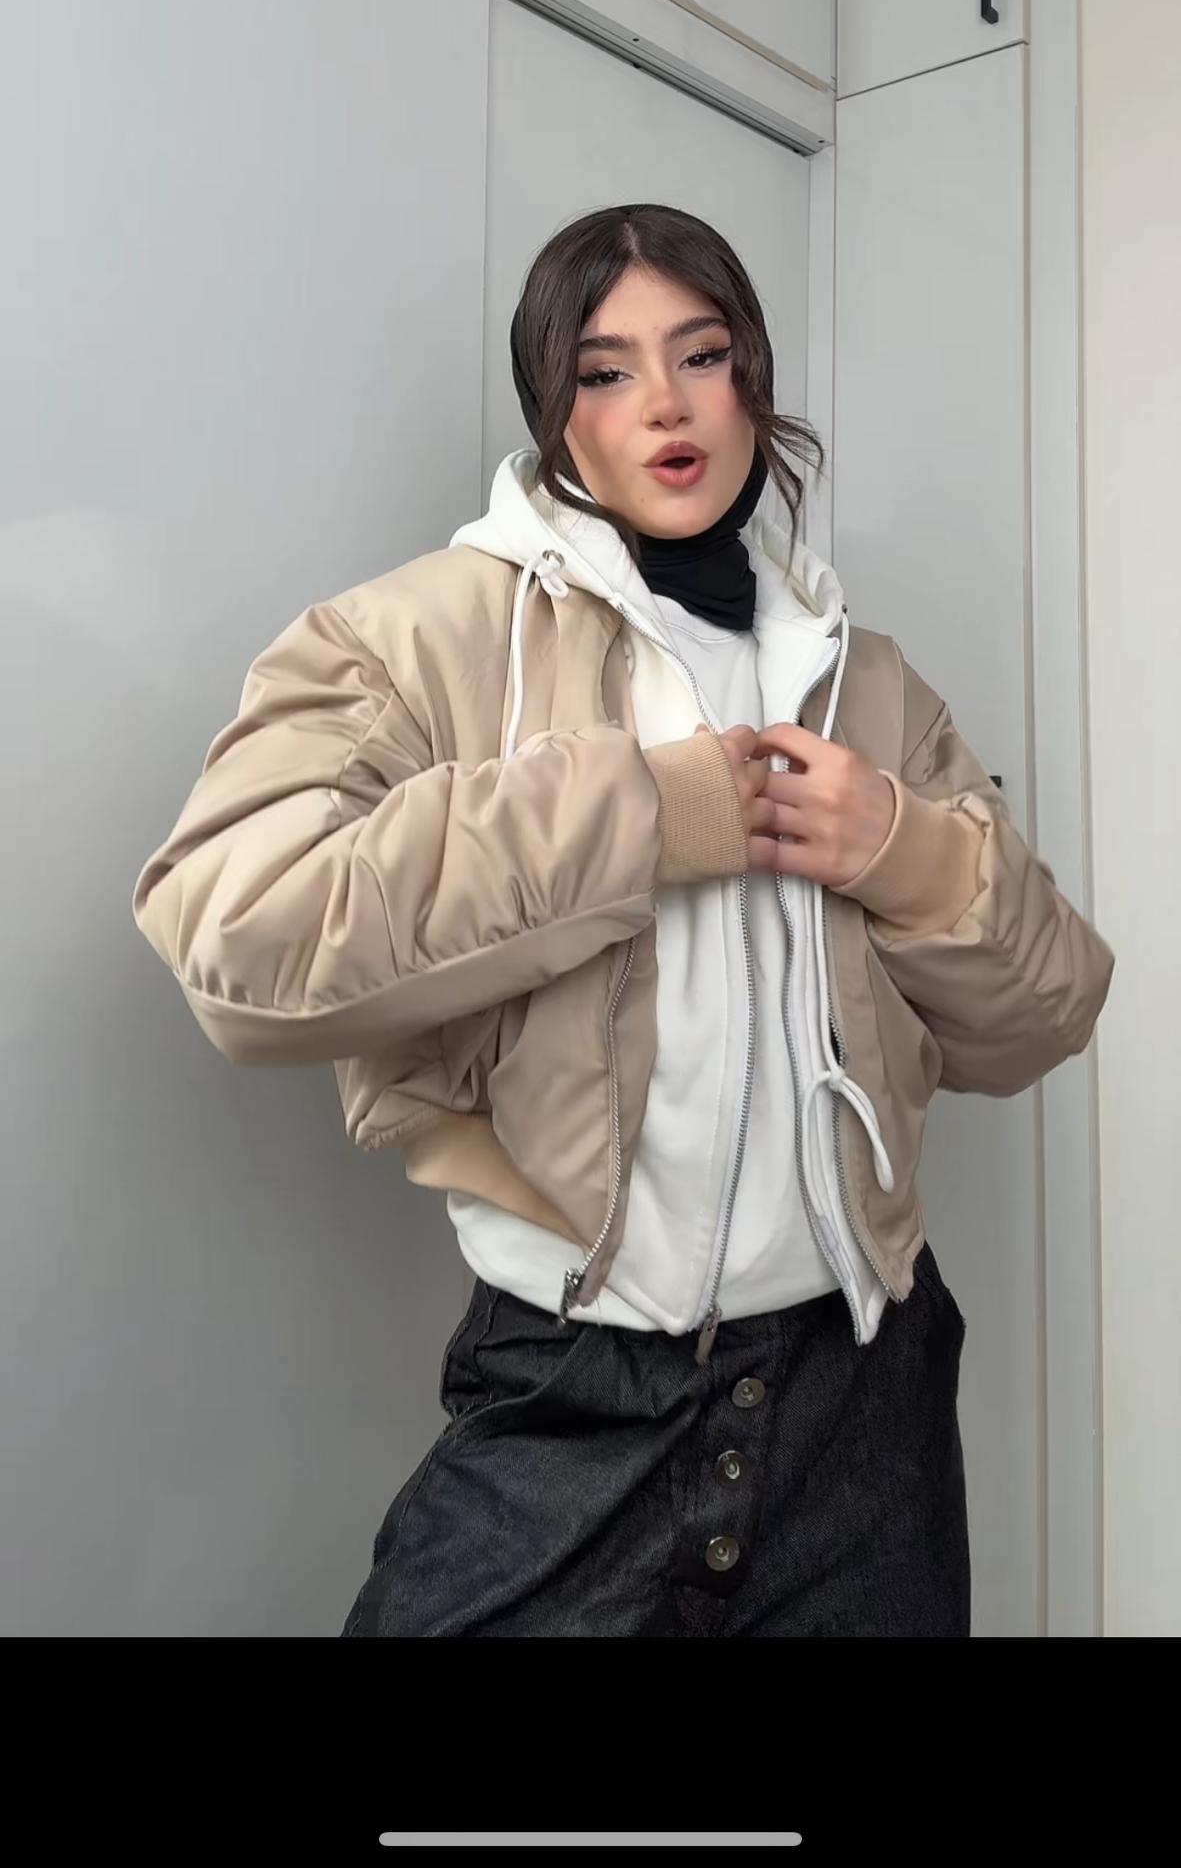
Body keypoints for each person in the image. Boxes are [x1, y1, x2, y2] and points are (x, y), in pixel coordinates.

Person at [132, 201, 1114, 1639]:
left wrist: (899, 852)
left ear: (751, 382)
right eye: (606, 370)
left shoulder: (868, 681)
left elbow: (1048, 1011)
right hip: (571, 1393)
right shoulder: (413, 640)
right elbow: (239, 940)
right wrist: (647, 815)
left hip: (864, 1395)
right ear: (555, 411)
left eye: (701, 356)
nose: (665, 403)